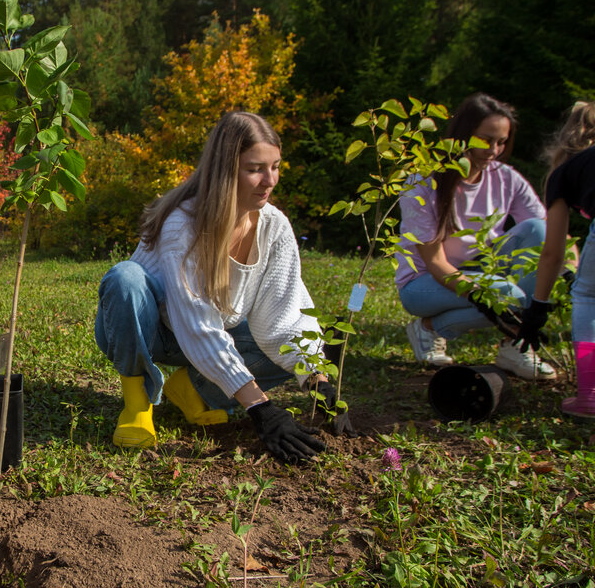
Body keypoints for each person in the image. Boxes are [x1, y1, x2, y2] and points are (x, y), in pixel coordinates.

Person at [94, 111, 351, 465]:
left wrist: (320, 383)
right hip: (153, 332)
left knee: (283, 358)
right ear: (225, 169)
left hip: (212, 334)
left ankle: (194, 390)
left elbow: (286, 314)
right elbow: (196, 325)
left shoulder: (274, 226)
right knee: (126, 279)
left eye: (275, 166)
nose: (269, 180)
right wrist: (261, 409)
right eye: (255, 169)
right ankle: (137, 399)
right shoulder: (182, 224)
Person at [397, 92, 554, 379]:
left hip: (484, 269)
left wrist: (568, 269)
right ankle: (430, 328)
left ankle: (514, 345)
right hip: (425, 283)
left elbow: (547, 233)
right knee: (508, 295)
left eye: (502, 142)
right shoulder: (424, 182)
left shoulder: (505, 177)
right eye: (485, 140)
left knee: (539, 232)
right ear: (463, 135)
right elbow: (436, 263)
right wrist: (483, 295)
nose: (494, 150)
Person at [513, 101, 595, 418]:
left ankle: (589, 395)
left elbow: (553, 252)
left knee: (588, 296)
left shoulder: (565, 172)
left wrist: (538, 307)